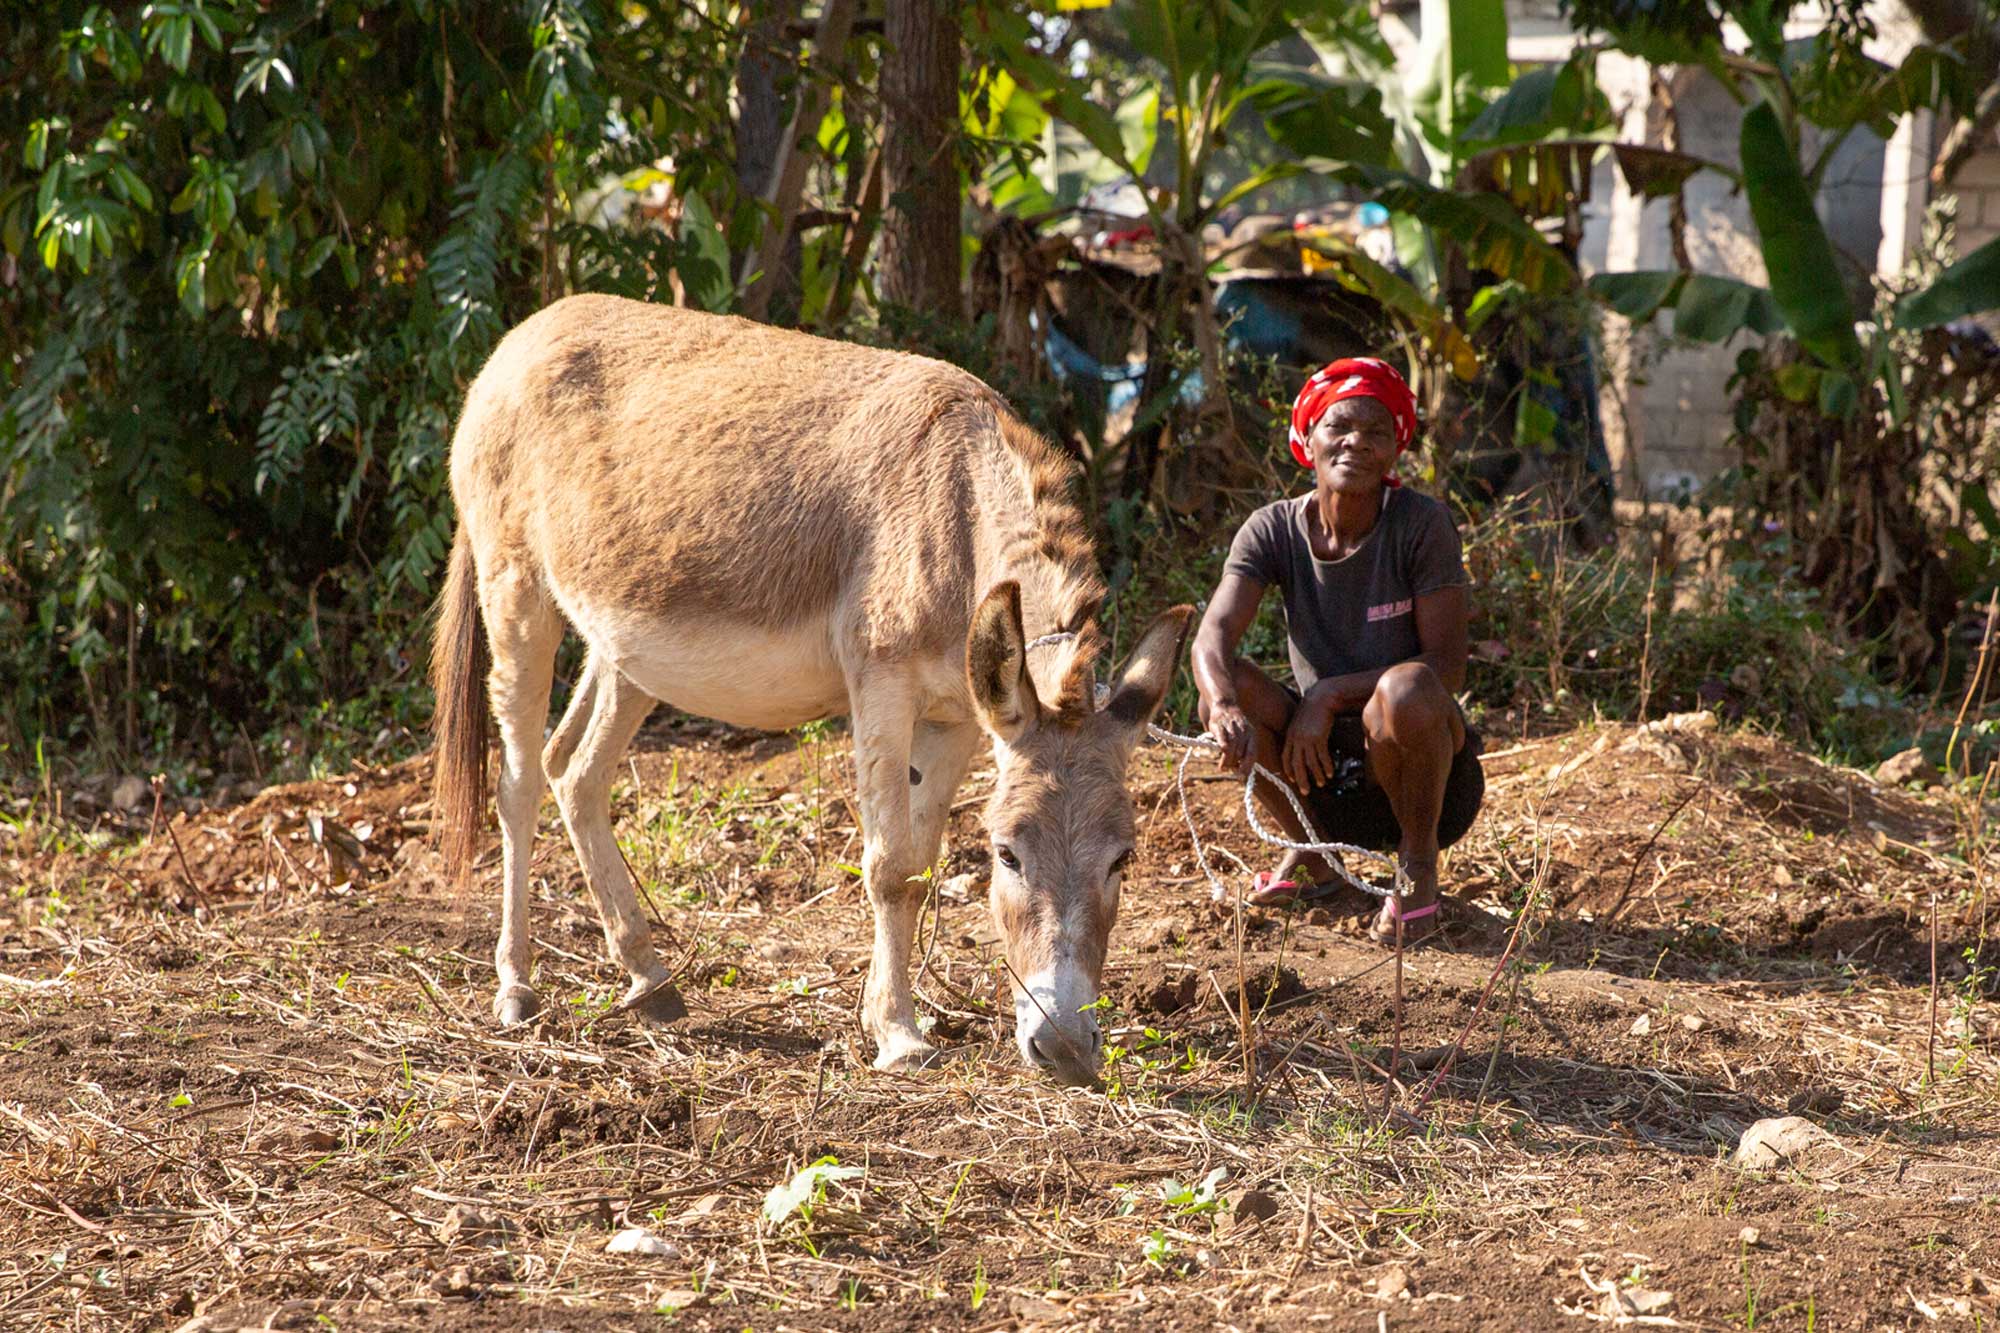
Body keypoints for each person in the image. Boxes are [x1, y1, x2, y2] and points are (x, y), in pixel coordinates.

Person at [1190, 357, 1482, 945]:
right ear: (1308, 439)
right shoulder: (1271, 529)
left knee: (1405, 689)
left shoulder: (1421, 525)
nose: (1356, 443)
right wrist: (1222, 707)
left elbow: (1446, 663)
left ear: (1396, 450)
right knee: (1228, 686)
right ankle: (1312, 852)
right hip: (1321, 771)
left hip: (1425, 780)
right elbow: (1213, 634)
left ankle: (1417, 868)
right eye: (1339, 427)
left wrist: (1329, 693)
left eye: (1377, 432)